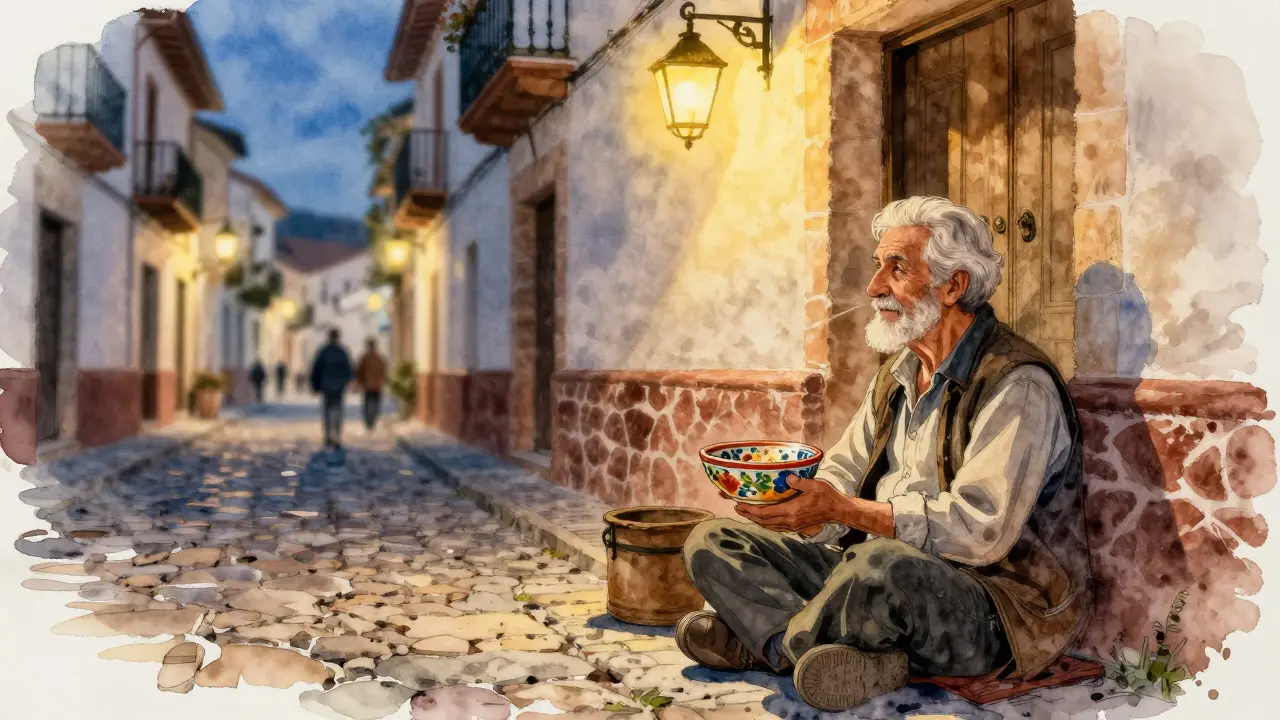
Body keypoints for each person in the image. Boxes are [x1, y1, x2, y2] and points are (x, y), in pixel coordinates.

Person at [678, 196, 1090, 712]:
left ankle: (768, 645)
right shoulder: (895, 375)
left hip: (992, 611)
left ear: (953, 286)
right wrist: (805, 512)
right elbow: (842, 476)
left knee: (880, 563)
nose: (875, 287)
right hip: (872, 572)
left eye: (896, 269)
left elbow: (979, 531)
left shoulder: (1017, 383)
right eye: (879, 267)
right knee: (712, 539)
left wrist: (843, 511)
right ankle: (826, 652)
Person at [309, 328, 353, 449]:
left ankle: (328, 436)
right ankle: (336, 436)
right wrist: (345, 382)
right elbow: (349, 370)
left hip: (327, 387)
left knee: (327, 412)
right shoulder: (342, 352)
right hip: (338, 388)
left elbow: (316, 369)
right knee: (337, 412)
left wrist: (315, 385)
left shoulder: (324, 351)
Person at [354, 338, 388, 432]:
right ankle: (372, 420)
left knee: (367, 404)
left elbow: (359, 372)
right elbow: (384, 371)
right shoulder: (380, 358)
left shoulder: (364, 358)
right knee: (376, 404)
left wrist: (358, 383)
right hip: (377, 385)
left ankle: (369, 421)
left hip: (367, 385)